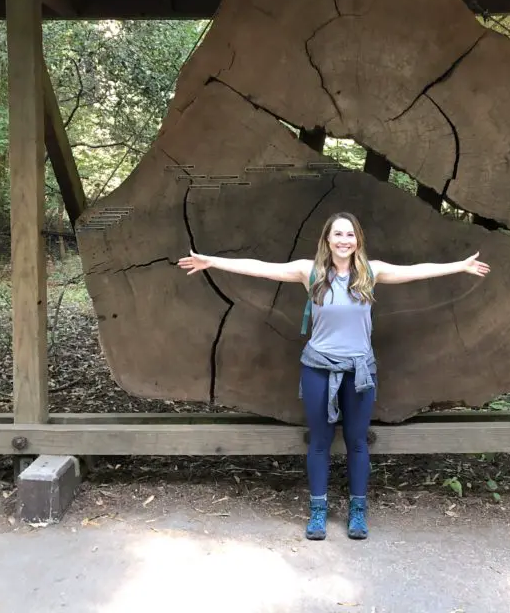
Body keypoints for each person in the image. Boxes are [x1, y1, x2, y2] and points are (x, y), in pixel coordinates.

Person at [177, 211, 490, 541]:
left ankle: (357, 511)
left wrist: (460, 266)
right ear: (327, 239)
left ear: (358, 241)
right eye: (338, 234)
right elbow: (262, 268)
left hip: (359, 371)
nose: (344, 240)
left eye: (350, 235)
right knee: (320, 441)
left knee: (357, 441)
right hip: (317, 368)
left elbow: (416, 272)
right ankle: (318, 510)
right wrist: (211, 261)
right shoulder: (309, 271)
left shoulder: (370, 272)